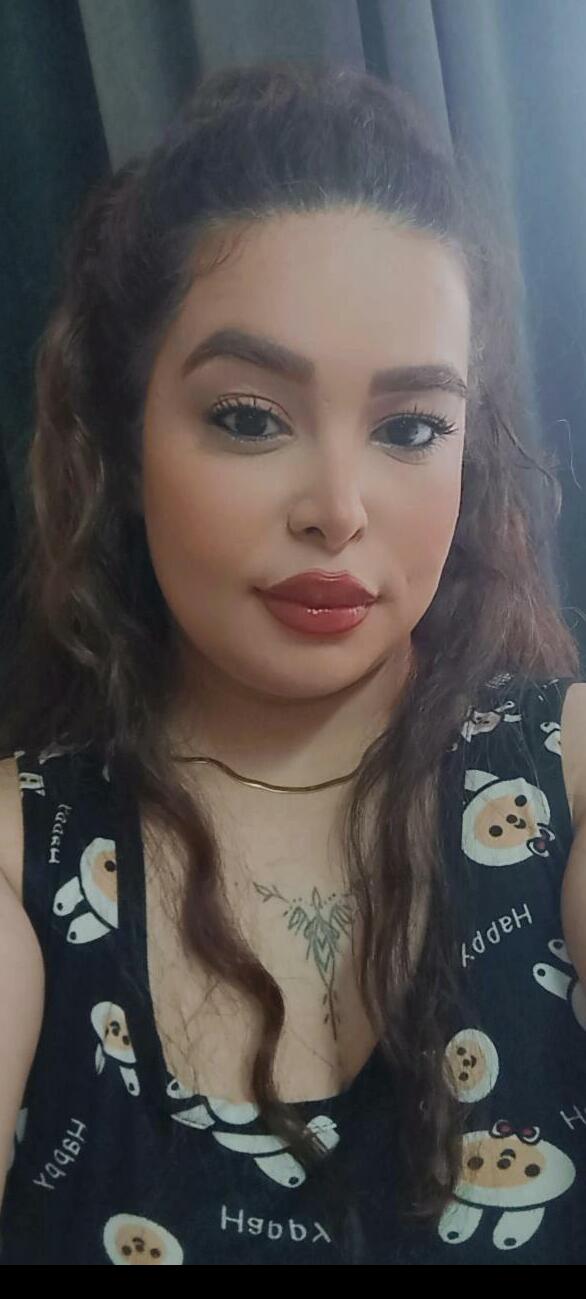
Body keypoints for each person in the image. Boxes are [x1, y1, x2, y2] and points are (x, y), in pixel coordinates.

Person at [0, 60, 585, 1266]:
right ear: (124, 442)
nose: (337, 508)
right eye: (249, 417)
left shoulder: (568, 784)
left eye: (410, 428)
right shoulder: (19, 863)